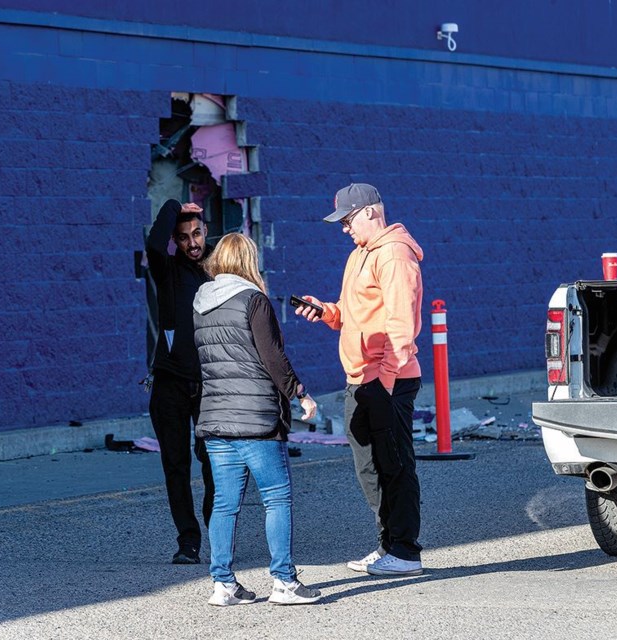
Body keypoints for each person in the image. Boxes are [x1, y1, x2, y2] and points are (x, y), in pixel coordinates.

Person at [294, 183, 425, 577]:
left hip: (388, 380)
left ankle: (405, 551)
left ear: (370, 212)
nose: (344, 228)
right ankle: (387, 545)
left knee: (395, 466)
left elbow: (401, 327)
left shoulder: (395, 255)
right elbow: (356, 313)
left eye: (348, 220)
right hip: (361, 378)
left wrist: (384, 381)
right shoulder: (360, 255)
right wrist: (328, 312)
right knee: (369, 467)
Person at [193, 232, 323, 606]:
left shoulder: (201, 303)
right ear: (247, 260)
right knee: (276, 498)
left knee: (224, 503)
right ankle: (284, 582)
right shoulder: (254, 300)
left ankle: (223, 584)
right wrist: (300, 392)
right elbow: (272, 358)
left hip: (215, 418)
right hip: (256, 419)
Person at [145, 198, 216, 565]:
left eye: (197, 233)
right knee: (176, 466)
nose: (192, 242)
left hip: (209, 385)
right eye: (184, 237)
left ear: (206, 232)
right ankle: (188, 542)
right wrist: (173, 205)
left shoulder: (218, 269)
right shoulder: (167, 269)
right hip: (170, 383)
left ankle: (216, 537)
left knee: (214, 464)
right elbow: (153, 243)